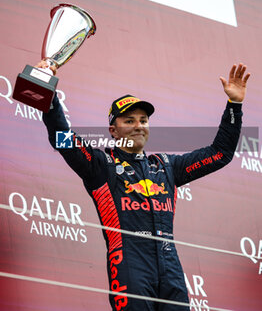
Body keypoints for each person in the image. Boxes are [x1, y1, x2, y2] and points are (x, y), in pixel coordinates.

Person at [37, 60, 250, 311]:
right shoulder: (100, 165)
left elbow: (220, 153)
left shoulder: (166, 166)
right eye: (129, 121)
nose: (139, 125)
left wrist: (234, 105)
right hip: (130, 266)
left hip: (171, 268)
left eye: (143, 120)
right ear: (113, 130)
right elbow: (63, 139)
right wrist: (47, 90)